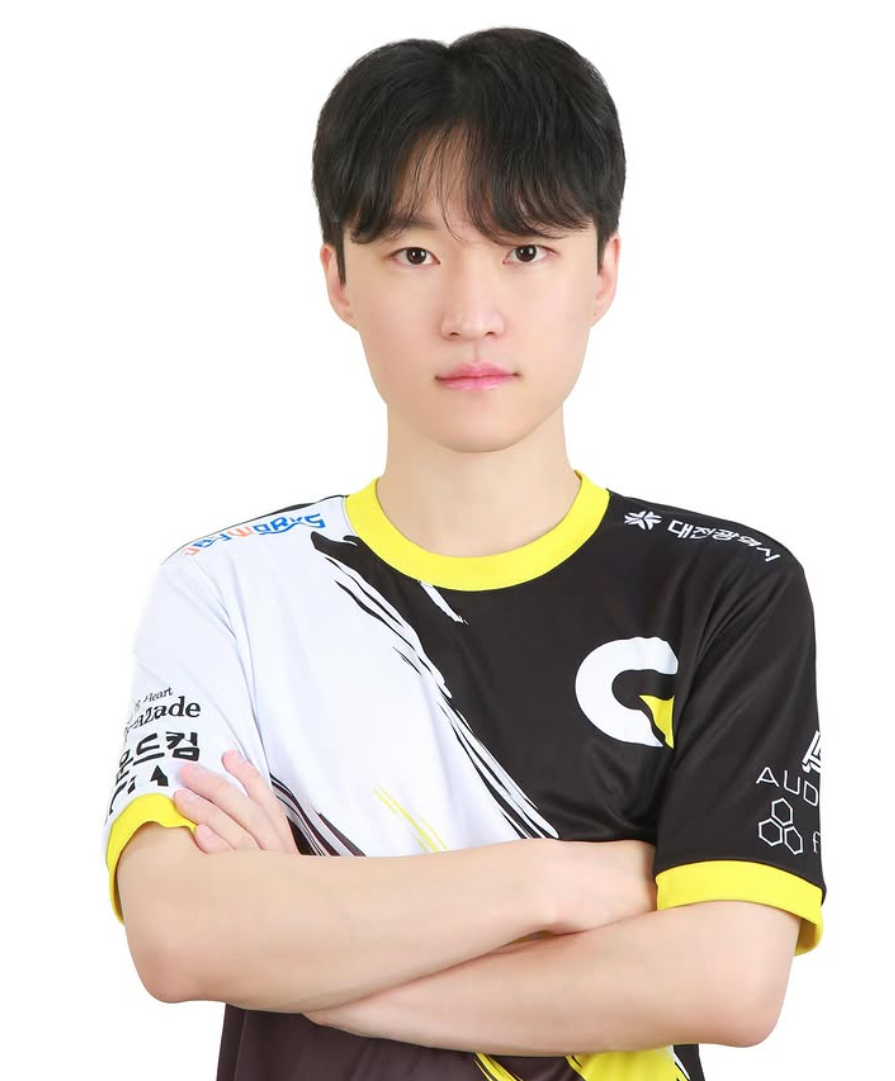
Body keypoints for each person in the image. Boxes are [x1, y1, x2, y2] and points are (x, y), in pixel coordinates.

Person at [101, 25, 826, 1081]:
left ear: (603, 271)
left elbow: (726, 980)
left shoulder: (726, 588)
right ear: (338, 278)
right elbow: (178, 935)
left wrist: (311, 958)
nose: (471, 315)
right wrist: (557, 883)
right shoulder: (227, 589)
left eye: (524, 250)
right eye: (414, 254)